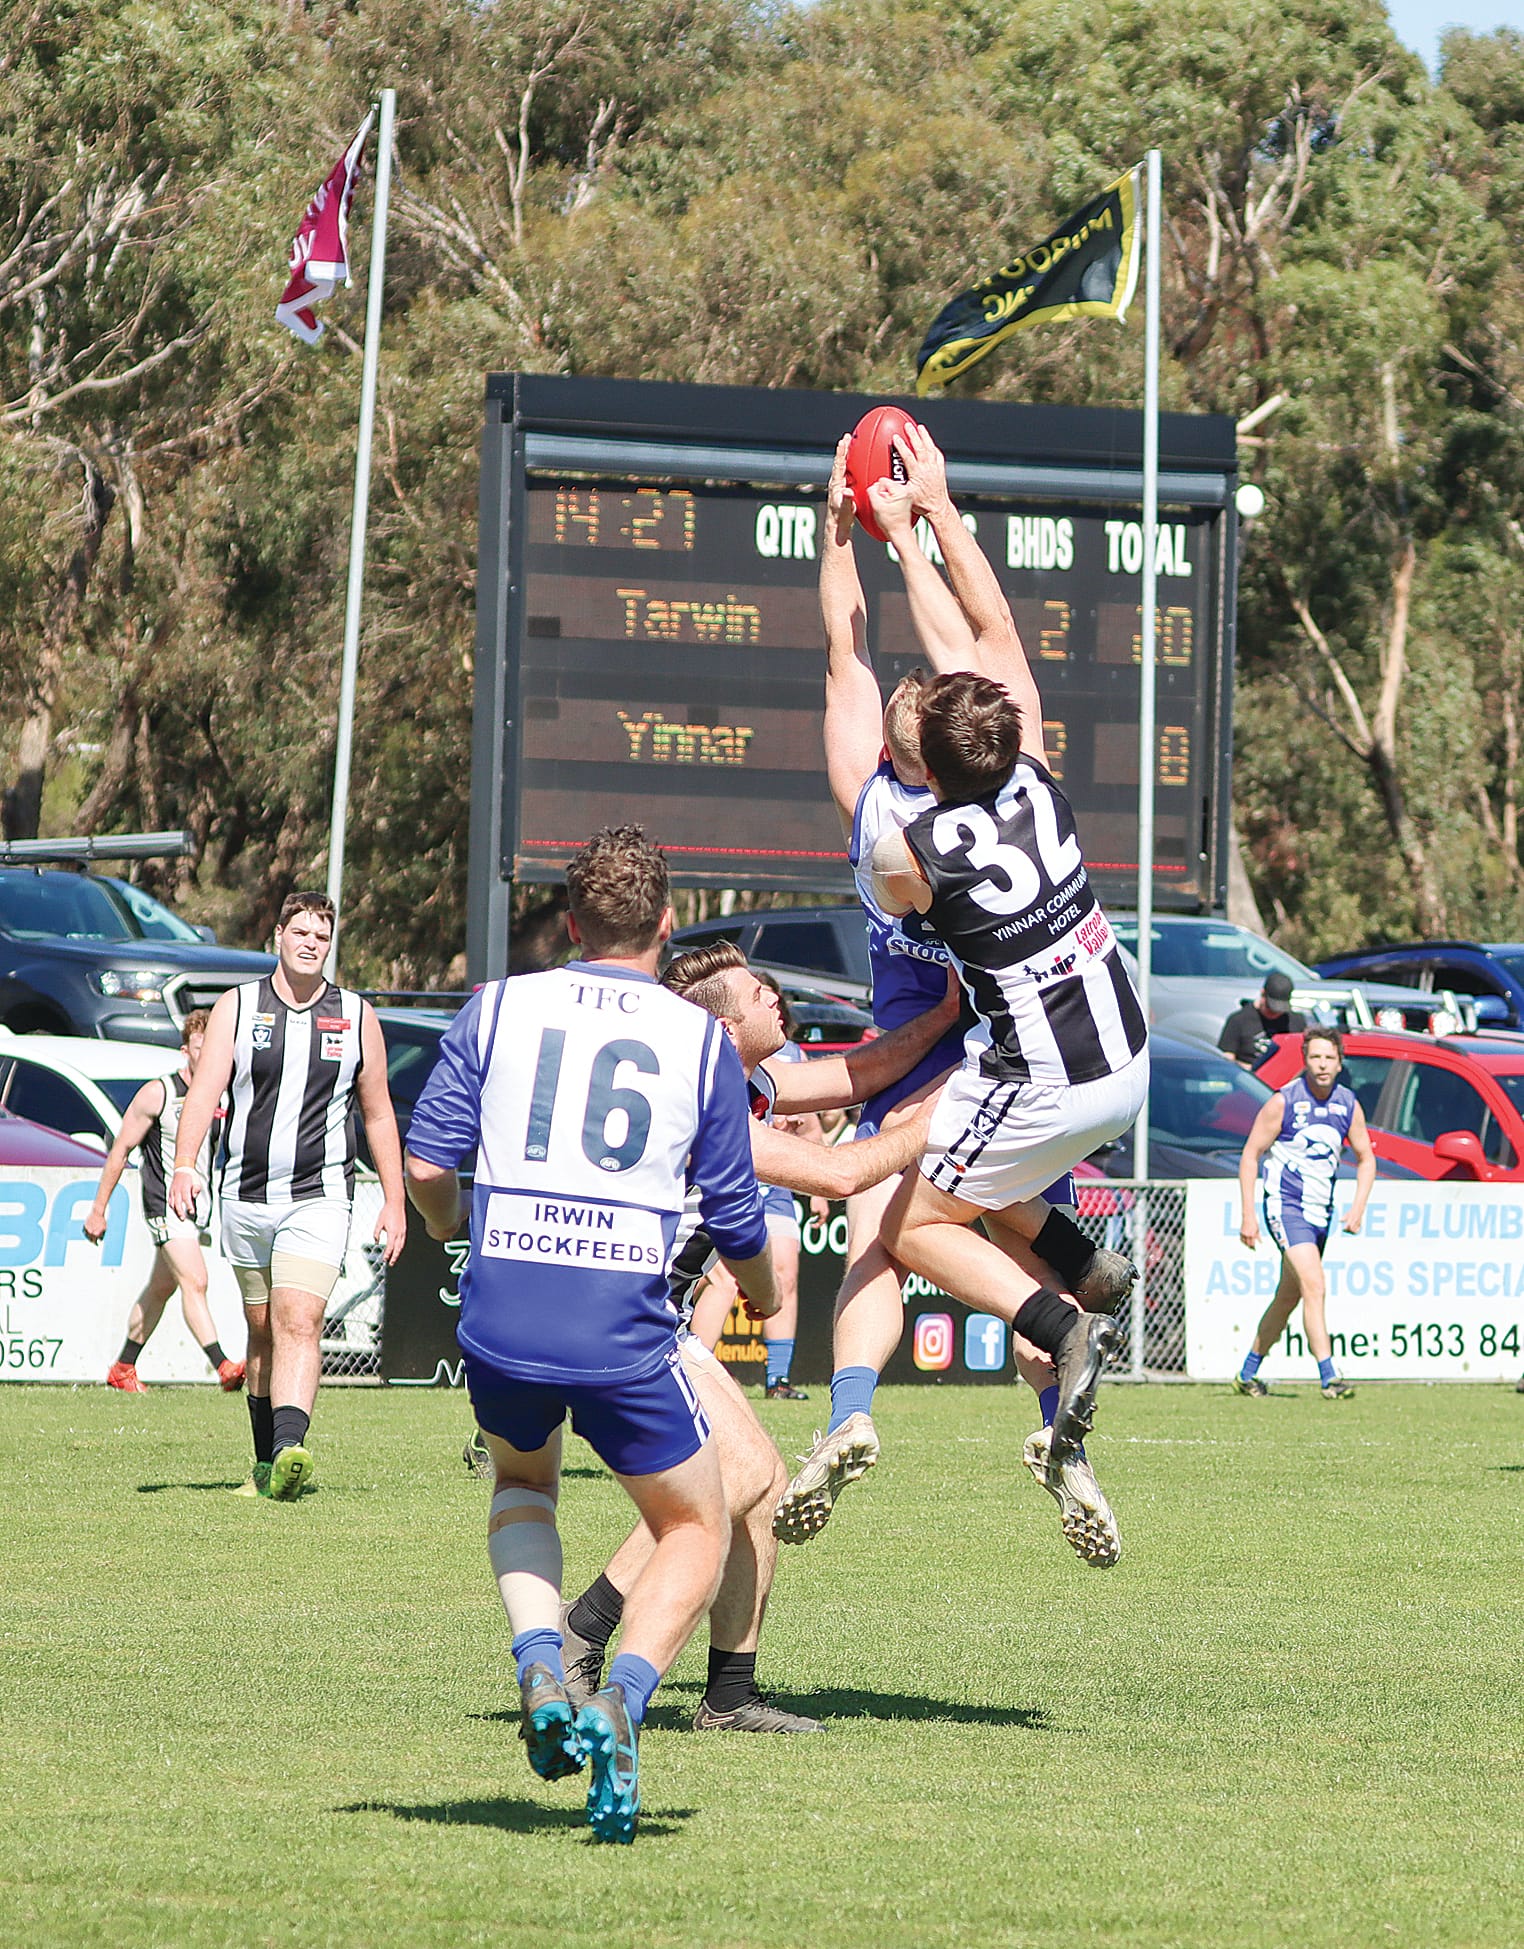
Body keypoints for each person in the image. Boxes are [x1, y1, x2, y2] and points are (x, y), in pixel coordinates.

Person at [775, 421, 1134, 1566]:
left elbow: (846, 652)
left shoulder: (882, 824)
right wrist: (919, 518)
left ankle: (852, 1411)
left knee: (888, 1240)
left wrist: (838, 534)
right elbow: (991, 641)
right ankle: (1066, 1431)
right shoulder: (1021, 774)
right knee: (1010, 1241)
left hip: (946, 1044)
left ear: (910, 752)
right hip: (1036, 1039)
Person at [404, 827, 779, 1842]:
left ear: (570, 925)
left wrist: (450, 1222)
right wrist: (762, 1292)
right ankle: (619, 1698)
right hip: (620, 1320)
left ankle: (539, 1661)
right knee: (694, 1523)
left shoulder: (497, 1005)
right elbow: (736, 1215)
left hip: (503, 1310)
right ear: (668, 923)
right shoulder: (698, 1039)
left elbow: (427, 1164)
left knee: (524, 1486)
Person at [558, 940, 953, 1735]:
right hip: (623, 1318)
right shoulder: (708, 1105)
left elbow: (863, 1071)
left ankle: (730, 1695)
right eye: (755, 993)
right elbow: (842, 1174)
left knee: (764, 1485)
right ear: (721, 1029)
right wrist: (943, 1116)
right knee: (739, 1471)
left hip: (655, 1318)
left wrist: (947, 1016)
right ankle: (586, 1625)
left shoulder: (752, 1079)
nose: (774, 995)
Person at [867, 661, 1151, 1512]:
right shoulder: (1040, 782)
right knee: (983, 1184)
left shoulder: (906, 849)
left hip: (1041, 1076)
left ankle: (1063, 1328)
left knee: (911, 1222)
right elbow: (995, 639)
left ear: (923, 762)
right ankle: (1081, 1259)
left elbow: (889, 884)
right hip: (1128, 1058)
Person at [170, 893, 407, 1500]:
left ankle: (288, 1450)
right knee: (262, 1329)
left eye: (321, 937)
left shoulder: (356, 1015)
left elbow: (379, 1113)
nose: (310, 944)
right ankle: (263, 1462)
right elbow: (204, 1091)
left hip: (321, 1195)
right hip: (246, 1194)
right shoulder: (238, 1006)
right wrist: (185, 1164)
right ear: (278, 936)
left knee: (299, 1320)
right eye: (300, 932)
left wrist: (394, 1198)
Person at [87, 1009, 245, 1394]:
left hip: (196, 1208)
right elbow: (120, 1150)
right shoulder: (160, 1092)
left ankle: (123, 1367)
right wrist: (98, 1210)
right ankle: (223, 1366)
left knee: (161, 1288)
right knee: (196, 1280)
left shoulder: (221, 1095)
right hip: (164, 1205)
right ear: (185, 1051)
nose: (207, 1054)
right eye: (199, 1047)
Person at [1233, 1025, 1375, 1399]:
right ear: (1305, 1061)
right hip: (1286, 1206)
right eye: (1315, 1057)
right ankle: (1330, 1377)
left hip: (1320, 1212)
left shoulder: (1347, 1104)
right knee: (1315, 1285)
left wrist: (1358, 1207)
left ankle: (1247, 1373)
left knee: (1288, 1297)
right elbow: (1250, 1155)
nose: (1322, 1064)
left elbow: (1366, 1157)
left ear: (1340, 1063)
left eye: (1329, 1057)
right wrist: (1249, 1214)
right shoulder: (1284, 1101)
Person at [1219, 971, 1306, 1070]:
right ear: (1263, 994)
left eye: (1280, 1010)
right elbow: (1226, 1058)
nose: (1275, 1014)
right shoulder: (1238, 1020)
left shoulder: (1296, 1021)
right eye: (1270, 1008)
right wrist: (1248, 1069)